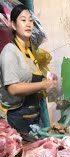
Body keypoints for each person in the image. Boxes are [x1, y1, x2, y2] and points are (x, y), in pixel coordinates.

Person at [0, 4, 56, 134]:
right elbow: (13, 89)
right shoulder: (9, 52)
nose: (28, 24)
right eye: (23, 20)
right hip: (16, 118)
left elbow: (29, 78)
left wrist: (45, 80)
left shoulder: (28, 51)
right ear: (13, 25)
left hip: (33, 116)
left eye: (30, 20)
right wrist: (43, 84)